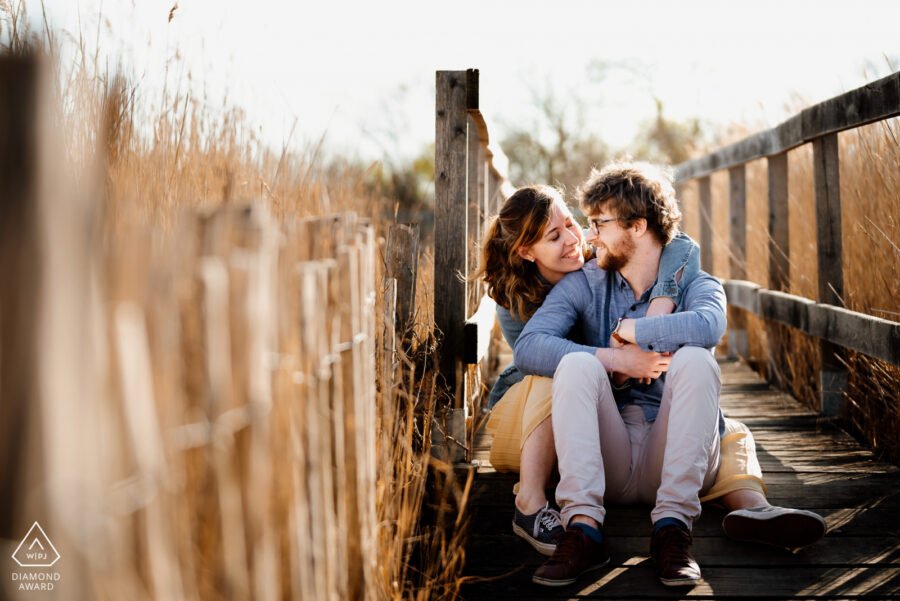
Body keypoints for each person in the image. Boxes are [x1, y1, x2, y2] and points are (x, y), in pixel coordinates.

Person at [510, 162, 825, 588]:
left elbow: (710, 326)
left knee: (698, 360)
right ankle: (583, 530)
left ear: (637, 227)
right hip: (609, 454)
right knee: (578, 364)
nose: (589, 235)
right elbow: (529, 346)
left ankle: (673, 530)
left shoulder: (696, 281)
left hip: (673, 454)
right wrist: (616, 357)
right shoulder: (584, 283)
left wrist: (636, 330)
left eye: (598, 223)